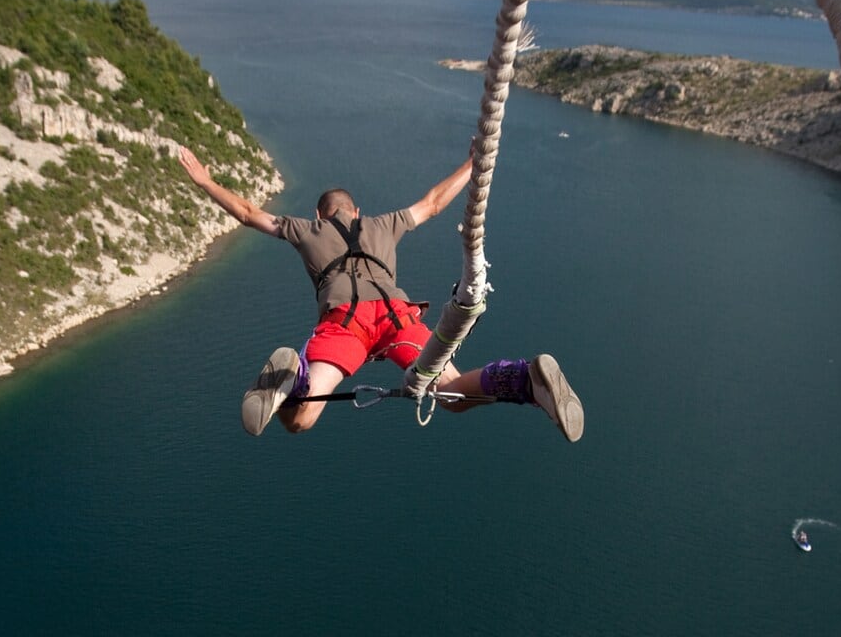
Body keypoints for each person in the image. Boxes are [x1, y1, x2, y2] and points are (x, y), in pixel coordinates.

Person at [177, 144, 584, 441]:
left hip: (345, 322)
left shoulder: (307, 229)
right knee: (453, 394)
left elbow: (249, 214)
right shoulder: (384, 224)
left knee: (300, 419)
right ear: (357, 211)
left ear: (320, 214)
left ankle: (294, 378)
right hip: (396, 317)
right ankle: (525, 378)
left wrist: (206, 181)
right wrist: (473, 163)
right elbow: (433, 203)